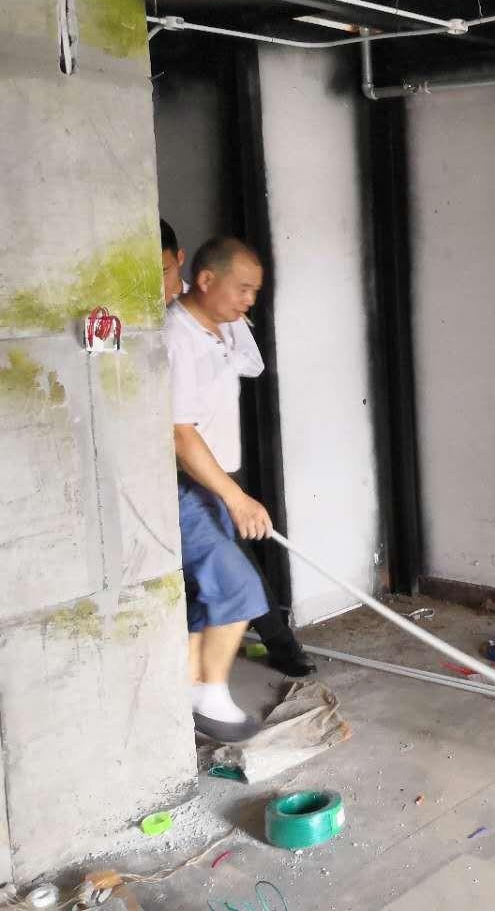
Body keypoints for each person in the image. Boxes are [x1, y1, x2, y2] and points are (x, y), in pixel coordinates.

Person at [162, 221, 315, 680]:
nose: (250, 300)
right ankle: (226, 682)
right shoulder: (176, 335)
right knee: (237, 582)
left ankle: (197, 690)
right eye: (243, 289)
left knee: (213, 588)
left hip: (219, 472)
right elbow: (180, 432)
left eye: (254, 291)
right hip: (192, 479)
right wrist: (235, 498)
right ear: (206, 280)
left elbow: (251, 365)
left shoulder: (220, 327)